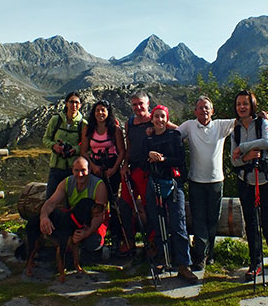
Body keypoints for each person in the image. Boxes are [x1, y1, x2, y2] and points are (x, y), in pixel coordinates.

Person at [231, 90, 268, 286]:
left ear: (252, 105)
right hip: (246, 181)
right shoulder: (235, 130)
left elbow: (266, 142)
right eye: (239, 104)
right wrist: (245, 156)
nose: (242, 107)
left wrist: (242, 148)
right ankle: (255, 264)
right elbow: (233, 160)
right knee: (252, 226)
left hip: (265, 180)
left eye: (245, 103)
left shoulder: (262, 123)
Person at [177, 95, 236, 271]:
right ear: (195, 111)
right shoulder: (189, 126)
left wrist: (262, 117)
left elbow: (242, 120)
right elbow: (173, 135)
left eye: (207, 107)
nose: (204, 110)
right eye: (200, 107)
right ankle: (200, 256)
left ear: (212, 111)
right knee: (199, 219)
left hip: (216, 181)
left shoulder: (220, 125)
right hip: (196, 181)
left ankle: (209, 253)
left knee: (213, 219)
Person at [142, 105, 197, 284]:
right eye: (156, 117)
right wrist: (148, 155)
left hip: (174, 184)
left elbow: (180, 159)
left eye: (162, 117)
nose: (159, 120)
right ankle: (162, 257)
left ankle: (183, 264)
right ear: (152, 119)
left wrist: (163, 159)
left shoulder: (175, 136)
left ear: (167, 118)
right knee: (157, 221)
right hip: (154, 183)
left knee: (178, 222)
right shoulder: (148, 139)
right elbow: (142, 160)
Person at [119, 90, 177, 256]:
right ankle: (128, 239)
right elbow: (129, 146)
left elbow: (176, 130)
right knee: (124, 204)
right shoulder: (129, 122)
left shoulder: (155, 120)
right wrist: (125, 165)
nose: (138, 107)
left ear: (148, 104)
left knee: (149, 206)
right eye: (134, 104)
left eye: (141, 104)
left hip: (147, 171)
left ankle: (152, 241)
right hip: (131, 169)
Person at [27, 156, 108, 253]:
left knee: (92, 244)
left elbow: (100, 215)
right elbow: (51, 202)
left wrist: (86, 233)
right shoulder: (67, 182)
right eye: (76, 170)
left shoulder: (99, 185)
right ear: (72, 170)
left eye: (83, 170)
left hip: (93, 221)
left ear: (89, 170)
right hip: (75, 220)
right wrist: (44, 217)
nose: (80, 174)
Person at [80, 99, 126, 254]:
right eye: (98, 110)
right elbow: (84, 151)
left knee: (114, 204)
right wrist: (92, 166)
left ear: (108, 112)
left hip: (111, 167)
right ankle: (95, 236)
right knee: (96, 204)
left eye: (103, 110)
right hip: (95, 168)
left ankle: (115, 237)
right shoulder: (88, 129)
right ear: (94, 112)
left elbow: (121, 151)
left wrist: (114, 169)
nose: (100, 113)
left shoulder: (115, 130)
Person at [43, 91, 87, 199]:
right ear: (66, 103)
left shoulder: (83, 124)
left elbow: (87, 146)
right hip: (56, 167)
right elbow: (46, 138)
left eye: (77, 102)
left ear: (80, 105)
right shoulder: (56, 120)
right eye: (71, 102)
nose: (74, 105)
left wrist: (75, 150)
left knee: (70, 200)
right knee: (50, 198)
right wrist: (54, 146)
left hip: (72, 169)